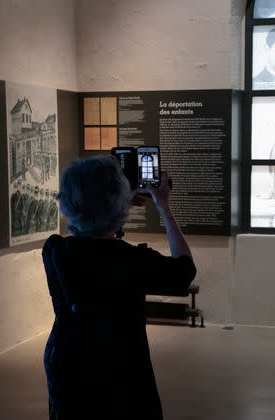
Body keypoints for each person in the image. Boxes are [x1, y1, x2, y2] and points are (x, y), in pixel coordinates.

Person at [42, 156, 196, 419]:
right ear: (117, 209)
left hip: (68, 364)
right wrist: (163, 208)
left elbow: (94, 234)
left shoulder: (55, 250)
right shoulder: (132, 261)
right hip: (121, 370)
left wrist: (117, 204)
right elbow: (184, 270)